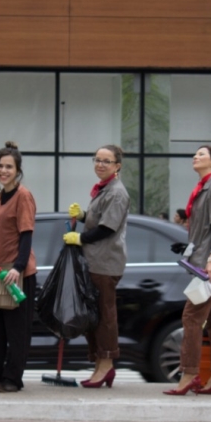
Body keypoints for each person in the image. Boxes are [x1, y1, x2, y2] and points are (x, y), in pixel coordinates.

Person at [165, 145, 211, 396]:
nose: (195, 157)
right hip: (204, 259)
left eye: (202, 154)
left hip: (210, 264)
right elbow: (206, 229)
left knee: (191, 317)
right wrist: (188, 247)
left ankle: (189, 373)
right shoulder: (203, 188)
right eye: (194, 154)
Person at [63, 144, 129, 388]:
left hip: (105, 263)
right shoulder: (103, 189)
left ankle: (107, 364)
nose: (100, 164)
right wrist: (82, 216)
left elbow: (107, 228)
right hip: (93, 261)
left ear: (117, 166)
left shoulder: (117, 192)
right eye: (97, 159)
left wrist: (80, 237)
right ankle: (99, 365)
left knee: (104, 316)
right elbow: (97, 219)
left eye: (106, 161)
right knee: (94, 315)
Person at [0, 142, 37, 393]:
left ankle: (13, 378)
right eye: (0, 166)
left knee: (16, 332)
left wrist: (19, 267)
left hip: (17, 274)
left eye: (9, 167)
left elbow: (26, 235)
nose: (3, 171)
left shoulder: (23, 196)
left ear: (18, 170)